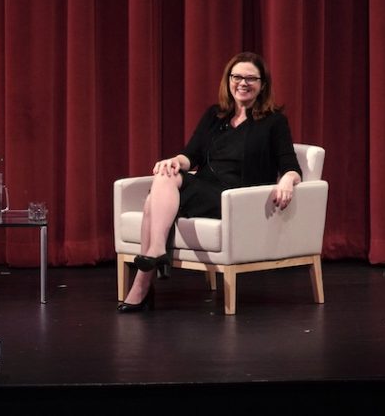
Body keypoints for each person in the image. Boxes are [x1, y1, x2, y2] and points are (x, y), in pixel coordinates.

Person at [118, 52, 302, 313]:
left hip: (235, 198)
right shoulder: (215, 116)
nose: (243, 83)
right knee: (165, 175)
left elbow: (291, 166)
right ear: (228, 80)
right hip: (205, 188)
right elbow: (189, 155)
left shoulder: (274, 122)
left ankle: (144, 281)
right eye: (237, 76)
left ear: (262, 85)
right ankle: (154, 257)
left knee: (152, 202)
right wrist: (174, 161)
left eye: (251, 78)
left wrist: (287, 181)